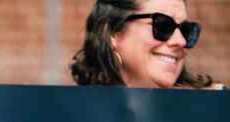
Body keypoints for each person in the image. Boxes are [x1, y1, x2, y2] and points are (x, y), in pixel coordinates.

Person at [70, 0, 220, 89]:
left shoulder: (216, 112)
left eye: (186, 30)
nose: (180, 41)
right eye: (163, 26)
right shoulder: (68, 120)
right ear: (112, 33)